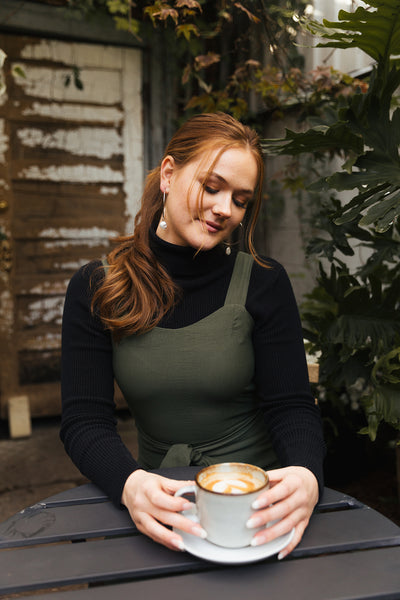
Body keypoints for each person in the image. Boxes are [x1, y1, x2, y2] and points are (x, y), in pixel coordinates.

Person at [60, 112, 325, 558]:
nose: (226, 209)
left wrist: (305, 474)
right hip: (162, 503)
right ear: (168, 174)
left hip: (258, 509)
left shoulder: (263, 282)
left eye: (241, 200)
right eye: (212, 186)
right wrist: (130, 484)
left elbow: (291, 405)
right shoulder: (97, 286)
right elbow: (84, 421)